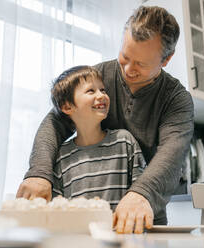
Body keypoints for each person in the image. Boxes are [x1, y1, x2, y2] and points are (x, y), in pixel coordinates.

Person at [16, 6, 194, 234]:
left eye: (141, 64)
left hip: (144, 220)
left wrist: (141, 192)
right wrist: (39, 173)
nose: (128, 69)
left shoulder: (176, 99)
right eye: (125, 56)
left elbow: (172, 155)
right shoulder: (99, 76)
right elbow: (53, 122)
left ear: (166, 60)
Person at [49, 65, 147, 212]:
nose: (101, 95)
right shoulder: (62, 156)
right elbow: (58, 209)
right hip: (80, 234)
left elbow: (141, 189)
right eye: (90, 91)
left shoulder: (124, 141)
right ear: (67, 106)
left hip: (121, 234)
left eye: (103, 90)